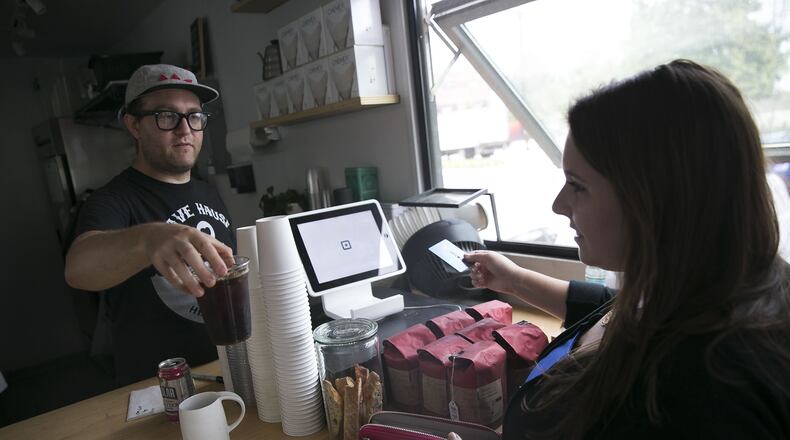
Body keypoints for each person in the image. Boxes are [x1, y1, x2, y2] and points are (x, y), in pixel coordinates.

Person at [463, 60, 790, 438]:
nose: (559, 204)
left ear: (653, 200)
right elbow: (614, 306)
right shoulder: (714, 284)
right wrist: (515, 280)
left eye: (578, 185)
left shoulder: (699, 393)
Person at [64, 64, 236, 385]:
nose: (185, 129)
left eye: (194, 116)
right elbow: (77, 268)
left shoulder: (207, 191)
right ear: (134, 125)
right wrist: (150, 239)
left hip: (223, 367)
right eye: (166, 116)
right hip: (159, 384)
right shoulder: (112, 200)